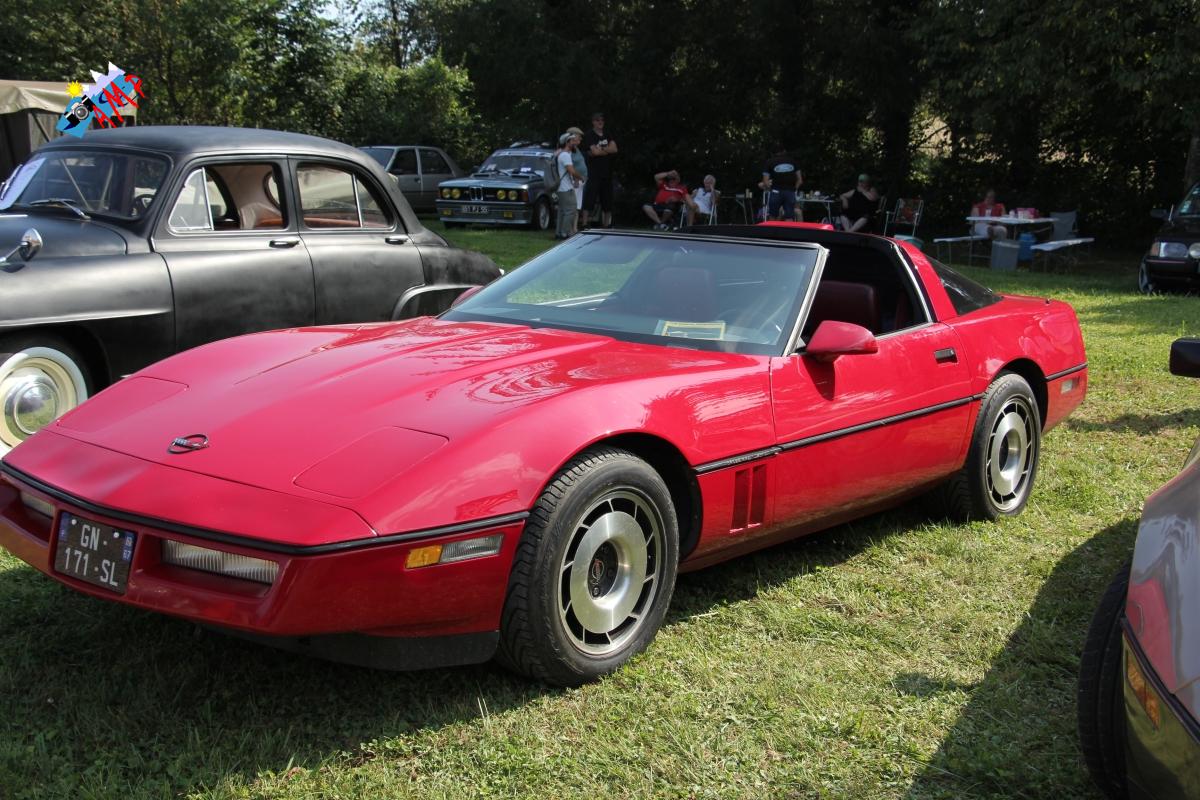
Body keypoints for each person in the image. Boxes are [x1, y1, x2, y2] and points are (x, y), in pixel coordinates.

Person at [581, 112, 617, 229]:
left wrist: (600, 149)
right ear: (593, 122)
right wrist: (606, 150)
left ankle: (607, 224)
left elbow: (615, 149)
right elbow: (594, 152)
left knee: (607, 199)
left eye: (602, 120)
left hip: (607, 172)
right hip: (594, 173)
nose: (600, 122)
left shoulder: (607, 134)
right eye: (597, 120)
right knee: (589, 198)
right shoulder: (589, 135)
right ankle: (585, 223)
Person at [760, 146, 803, 221]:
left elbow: (765, 182)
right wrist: (793, 189)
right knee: (789, 217)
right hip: (790, 192)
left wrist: (771, 190)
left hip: (775, 192)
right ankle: (789, 229)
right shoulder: (793, 161)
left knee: (772, 216)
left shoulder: (770, 162)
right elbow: (800, 180)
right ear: (784, 151)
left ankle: (771, 229)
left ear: (773, 153)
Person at [554, 132, 581, 240]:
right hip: (566, 188)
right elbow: (571, 170)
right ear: (567, 142)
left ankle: (559, 233)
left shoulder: (562, 154)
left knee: (562, 212)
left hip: (561, 188)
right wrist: (581, 177)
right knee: (571, 210)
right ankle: (564, 233)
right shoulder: (565, 155)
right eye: (572, 141)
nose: (575, 143)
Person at [566, 126, 587, 233]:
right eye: (579, 136)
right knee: (573, 206)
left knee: (577, 206)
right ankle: (571, 229)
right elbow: (571, 166)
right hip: (575, 181)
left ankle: (574, 228)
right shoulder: (570, 150)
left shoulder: (576, 149)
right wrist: (576, 179)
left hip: (580, 181)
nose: (580, 139)